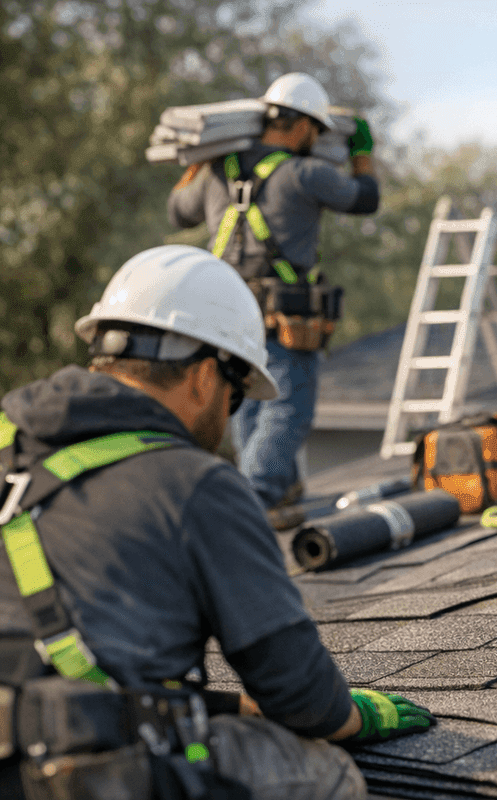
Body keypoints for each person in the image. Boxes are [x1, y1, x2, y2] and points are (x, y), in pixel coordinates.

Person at [0, 246, 432, 800]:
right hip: (76, 779)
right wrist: (357, 717)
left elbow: (55, 672)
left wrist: (225, 706)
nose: (229, 418)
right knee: (329, 776)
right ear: (206, 377)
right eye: (235, 398)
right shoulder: (194, 484)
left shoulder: (11, 449)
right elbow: (302, 696)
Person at [167, 72, 380, 515]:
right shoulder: (306, 172)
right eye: (316, 129)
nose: (316, 137)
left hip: (225, 308)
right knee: (289, 409)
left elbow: (177, 212)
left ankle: (278, 490)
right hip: (283, 310)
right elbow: (365, 199)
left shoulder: (216, 173)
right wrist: (362, 153)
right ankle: (250, 500)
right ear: (302, 125)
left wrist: (196, 157)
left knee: (245, 400)